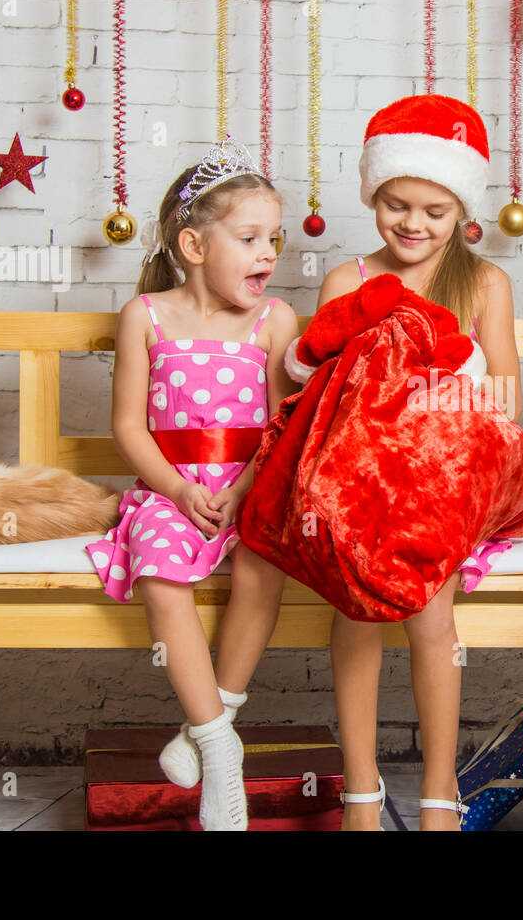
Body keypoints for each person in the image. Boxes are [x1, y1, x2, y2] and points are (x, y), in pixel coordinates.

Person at [312, 95, 522, 830]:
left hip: (449, 483)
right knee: (357, 608)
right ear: (375, 196)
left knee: (430, 613)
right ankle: (360, 791)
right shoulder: (347, 283)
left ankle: (440, 792)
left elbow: (502, 398)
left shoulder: (484, 284)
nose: (412, 223)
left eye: (433, 210)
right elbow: (318, 396)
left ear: (462, 210)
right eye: (396, 204)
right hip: (361, 483)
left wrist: (447, 448)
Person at [87, 140, 299, 830]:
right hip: (170, 489)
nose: (268, 252)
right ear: (194, 244)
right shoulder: (145, 316)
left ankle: (206, 724)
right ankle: (218, 745)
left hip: (249, 486)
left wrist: (244, 491)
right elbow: (127, 427)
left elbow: (280, 427)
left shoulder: (275, 322)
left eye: (275, 238)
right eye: (249, 238)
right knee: (159, 567)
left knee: (264, 562)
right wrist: (177, 493)